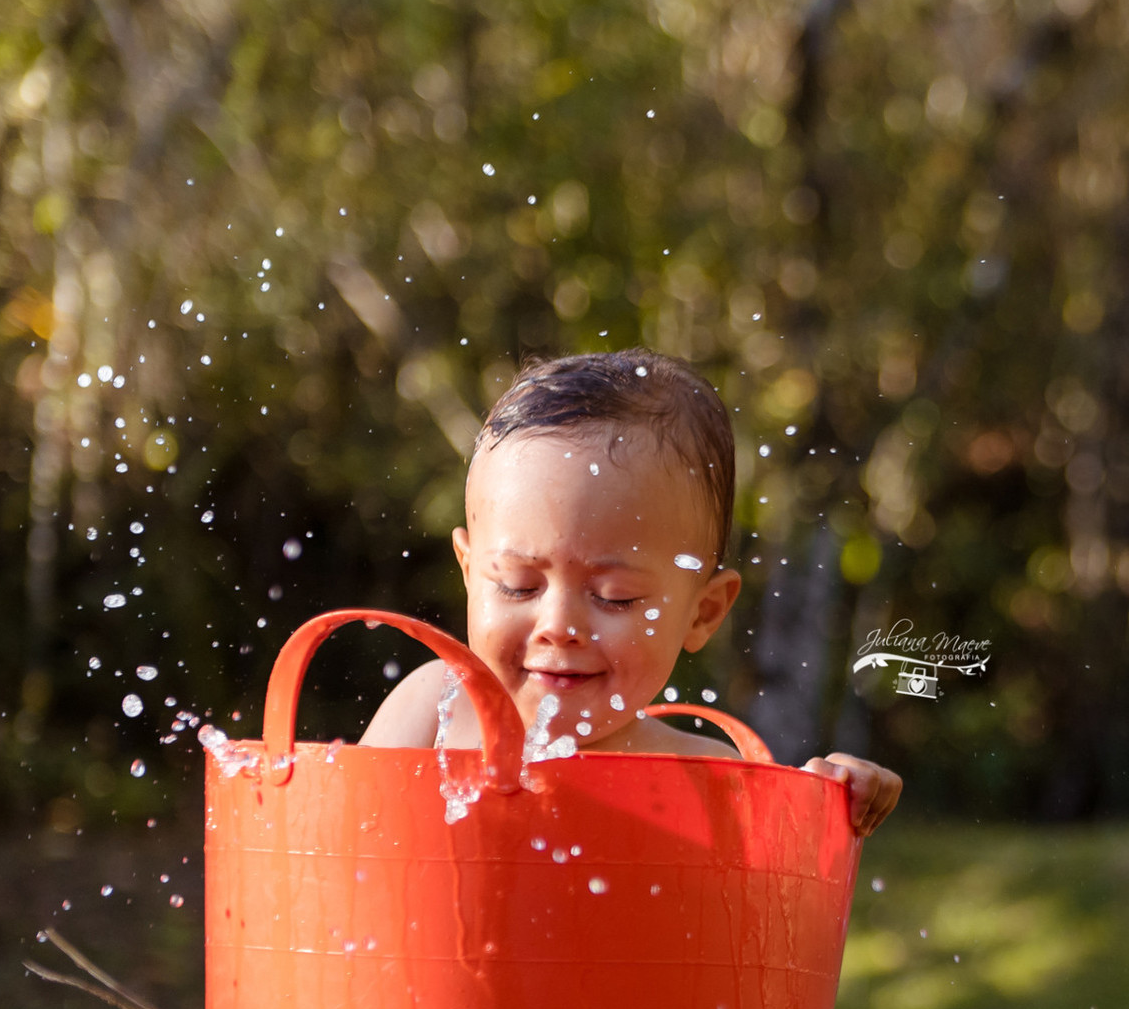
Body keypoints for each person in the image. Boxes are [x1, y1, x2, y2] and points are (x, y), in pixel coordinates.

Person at [362, 349, 901, 835]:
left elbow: (772, 913)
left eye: (615, 597)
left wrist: (834, 805)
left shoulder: (710, 778)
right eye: (517, 585)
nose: (558, 625)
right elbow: (330, 856)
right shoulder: (436, 709)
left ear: (703, 612)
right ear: (469, 571)